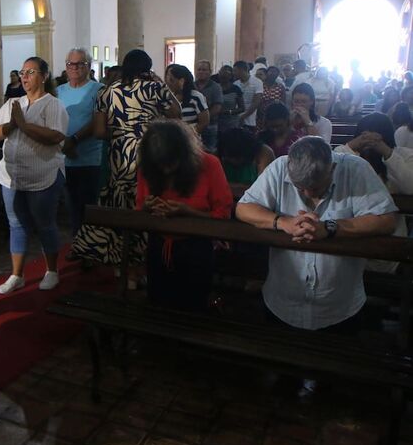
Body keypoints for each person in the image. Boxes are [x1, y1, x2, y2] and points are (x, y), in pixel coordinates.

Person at [236, 136, 397, 332]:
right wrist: (283, 222)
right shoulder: (279, 167)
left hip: (339, 306)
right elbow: (244, 208)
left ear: (333, 168)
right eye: (299, 187)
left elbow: (386, 219)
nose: (307, 194)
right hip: (282, 301)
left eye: (315, 188)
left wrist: (330, 227)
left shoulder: (356, 169)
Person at [71, 49, 179, 284]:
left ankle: (123, 268)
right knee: (146, 208)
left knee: (121, 210)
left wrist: (123, 135)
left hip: (118, 158)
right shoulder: (154, 88)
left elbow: (99, 132)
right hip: (148, 155)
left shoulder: (107, 91)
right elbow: (176, 113)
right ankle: (142, 270)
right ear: (147, 68)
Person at [137, 119, 232, 310]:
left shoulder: (209, 164)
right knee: (158, 303)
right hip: (159, 244)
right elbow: (140, 208)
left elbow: (223, 216)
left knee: (192, 306)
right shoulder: (149, 165)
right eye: (160, 166)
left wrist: (188, 212)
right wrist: (147, 208)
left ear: (184, 154)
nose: (165, 170)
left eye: (170, 164)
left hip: (197, 246)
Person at [0, 56, 68, 293]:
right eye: (22, 72)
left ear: (44, 76)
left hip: (43, 175)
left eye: (31, 72)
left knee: (44, 224)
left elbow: (55, 136)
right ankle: (17, 275)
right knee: (16, 224)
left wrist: (24, 125)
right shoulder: (12, 104)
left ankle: (52, 270)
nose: (24, 77)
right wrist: (12, 125)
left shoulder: (52, 104)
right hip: (11, 176)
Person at [333, 113, 412, 272]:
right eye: (364, 136)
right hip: (350, 238)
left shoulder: (404, 155)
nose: (370, 142)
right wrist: (351, 146)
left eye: (376, 138)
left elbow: (410, 186)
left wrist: (385, 150)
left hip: (390, 239)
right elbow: (332, 169)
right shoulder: (349, 156)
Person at [57, 47, 104, 242]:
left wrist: (74, 140)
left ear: (88, 66)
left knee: (89, 207)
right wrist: (62, 143)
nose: (75, 68)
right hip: (65, 160)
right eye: (71, 64)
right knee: (72, 207)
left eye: (80, 63)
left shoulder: (98, 89)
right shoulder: (58, 91)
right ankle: (78, 244)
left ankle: (91, 247)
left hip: (89, 158)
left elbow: (98, 121)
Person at [165, 64, 208, 137]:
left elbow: (204, 121)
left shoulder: (196, 96)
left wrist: (188, 135)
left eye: (172, 80)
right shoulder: (167, 96)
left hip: (190, 139)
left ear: (181, 81)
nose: (168, 83)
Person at [194, 60, 223, 153]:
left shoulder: (215, 87)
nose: (201, 72)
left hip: (210, 125)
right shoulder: (191, 85)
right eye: (199, 69)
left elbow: (217, 107)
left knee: (210, 151)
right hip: (194, 125)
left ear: (210, 72)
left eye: (204, 69)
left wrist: (204, 118)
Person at [233, 61, 263, 131]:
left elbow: (256, 102)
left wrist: (243, 116)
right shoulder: (235, 84)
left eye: (235, 70)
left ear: (243, 70)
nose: (233, 73)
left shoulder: (257, 82)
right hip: (236, 119)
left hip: (250, 120)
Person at [257, 66, 286, 131]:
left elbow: (283, 102)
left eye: (275, 72)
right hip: (261, 115)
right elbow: (257, 100)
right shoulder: (260, 85)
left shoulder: (281, 87)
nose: (273, 73)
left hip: (276, 115)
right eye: (271, 71)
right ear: (267, 73)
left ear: (277, 75)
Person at [217, 65, 244, 132]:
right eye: (222, 74)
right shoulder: (215, 88)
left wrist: (229, 112)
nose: (223, 77)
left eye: (226, 75)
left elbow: (242, 108)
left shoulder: (236, 89)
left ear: (231, 76)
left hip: (231, 123)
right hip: (216, 123)